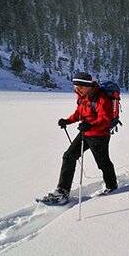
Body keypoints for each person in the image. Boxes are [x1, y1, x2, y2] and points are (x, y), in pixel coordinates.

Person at [42, 72, 118, 204]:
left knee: (103, 163)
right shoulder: (82, 97)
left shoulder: (101, 99)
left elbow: (105, 120)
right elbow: (78, 114)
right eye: (76, 87)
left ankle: (112, 186)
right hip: (85, 133)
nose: (77, 90)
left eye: (80, 87)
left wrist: (90, 125)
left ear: (88, 86)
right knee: (68, 156)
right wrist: (67, 121)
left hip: (99, 136)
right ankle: (62, 191)